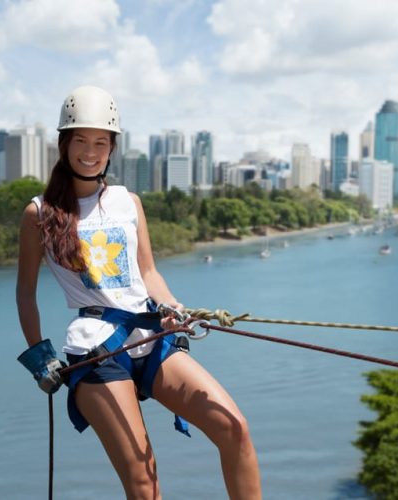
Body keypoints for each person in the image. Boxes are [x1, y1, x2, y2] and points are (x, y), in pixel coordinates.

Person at [16, 85, 261, 500]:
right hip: (96, 350)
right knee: (144, 482)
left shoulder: (128, 202)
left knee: (234, 429)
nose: (90, 152)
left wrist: (172, 307)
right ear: (64, 144)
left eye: (101, 142)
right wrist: (41, 358)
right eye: (81, 141)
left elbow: (148, 272)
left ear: (112, 148)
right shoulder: (39, 213)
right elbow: (25, 294)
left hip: (150, 335)